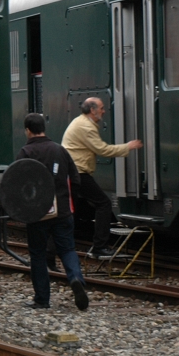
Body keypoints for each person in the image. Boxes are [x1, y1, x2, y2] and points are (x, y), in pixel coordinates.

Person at [18, 113, 90, 311]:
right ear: (44, 128)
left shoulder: (25, 152)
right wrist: (66, 201)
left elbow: (17, 182)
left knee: (38, 254)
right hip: (63, 210)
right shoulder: (60, 150)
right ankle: (75, 278)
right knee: (67, 249)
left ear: (28, 130)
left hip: (37, 212)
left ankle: (42, 299)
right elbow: (75, 179)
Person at [61, 98, 143, 258]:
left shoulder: (82, 122)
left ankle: (55, 250)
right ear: (93, 110)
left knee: (70, 212)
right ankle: (100, 246)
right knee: (103, 204)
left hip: (74, 171)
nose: (104, 111)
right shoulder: (86, 126)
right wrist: (128, 146)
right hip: (77, 172)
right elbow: (103, 150)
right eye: (102, 108)